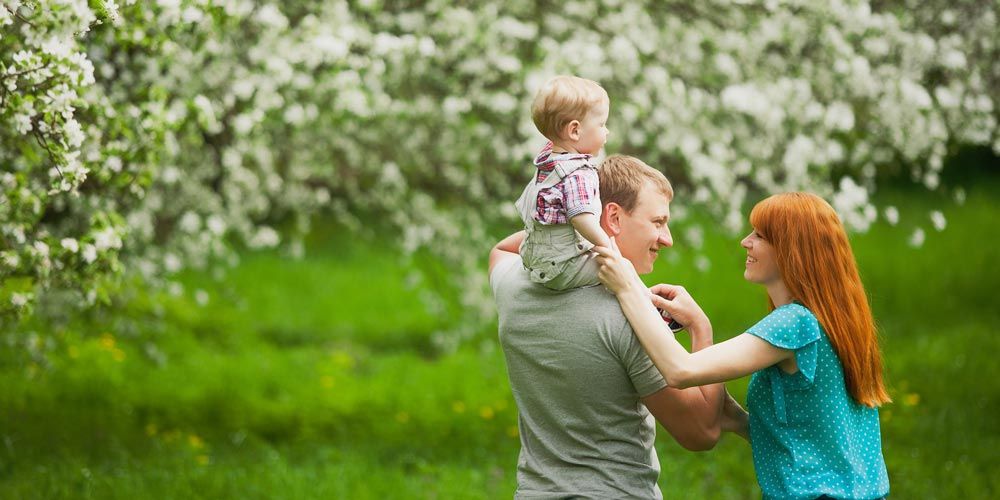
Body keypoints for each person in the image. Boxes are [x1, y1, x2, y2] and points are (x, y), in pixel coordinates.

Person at [595, 192, 891, 499]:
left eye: (760, 236)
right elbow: (814, 436)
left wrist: (627, 287)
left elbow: (679, 370)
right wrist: (736, 420)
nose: (745, 242)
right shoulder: (834, 321)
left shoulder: (795, 324)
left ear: (792, 250)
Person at [490, 154, 746, 499]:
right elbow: (700, 432)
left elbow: (502, 249)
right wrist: (701, 329)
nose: (667, 238)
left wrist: (571, 232)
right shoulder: (630, 319)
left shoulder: (514, 285)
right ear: (612, 217)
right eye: (657, 222)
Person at [514, 75, 611, 290]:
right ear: (575, 131)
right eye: (602, 124)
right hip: (564, 267)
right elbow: (582, 219)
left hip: (536, 261)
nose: (607, 131)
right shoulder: (578, 173)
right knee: (620, 269)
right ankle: (651, 308)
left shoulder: (547, 163)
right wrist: (608, 247)